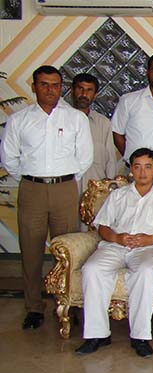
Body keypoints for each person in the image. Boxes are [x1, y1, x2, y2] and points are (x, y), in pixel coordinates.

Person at [1, 65, 93, 329]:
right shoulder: (20, 120)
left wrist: (63, 179)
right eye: (44, 84)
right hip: (32, 189)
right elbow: (9, 158)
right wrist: (33, 178)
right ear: (34, 87)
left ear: (61, 87)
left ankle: (67, 303)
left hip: (65, 188)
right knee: (31, 251)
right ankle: (34, 307)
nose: (50, 90)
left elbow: (85, 157)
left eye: (55, 85)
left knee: (67, 251)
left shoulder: (75, 118)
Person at [75, 148, 153, 357]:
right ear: (131, 170)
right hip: (115, 246)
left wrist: (150, 239)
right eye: (137, 167)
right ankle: (97, 335)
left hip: (148, 248)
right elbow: (103, 227)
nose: (142, 172)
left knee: (145, 271)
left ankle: (140, 337)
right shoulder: (118, 195)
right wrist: (116, 237)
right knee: (92, 269)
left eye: (148, 167)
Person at [71, 73, 117, 192]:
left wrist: (109, 188)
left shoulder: (103, 123)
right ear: (72, 91)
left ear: (95, 95)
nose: (84, 94)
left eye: (89, 90)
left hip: (96, 190)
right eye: (80, 89)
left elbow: (111, 160)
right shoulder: (61, 121)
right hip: (68, 188)